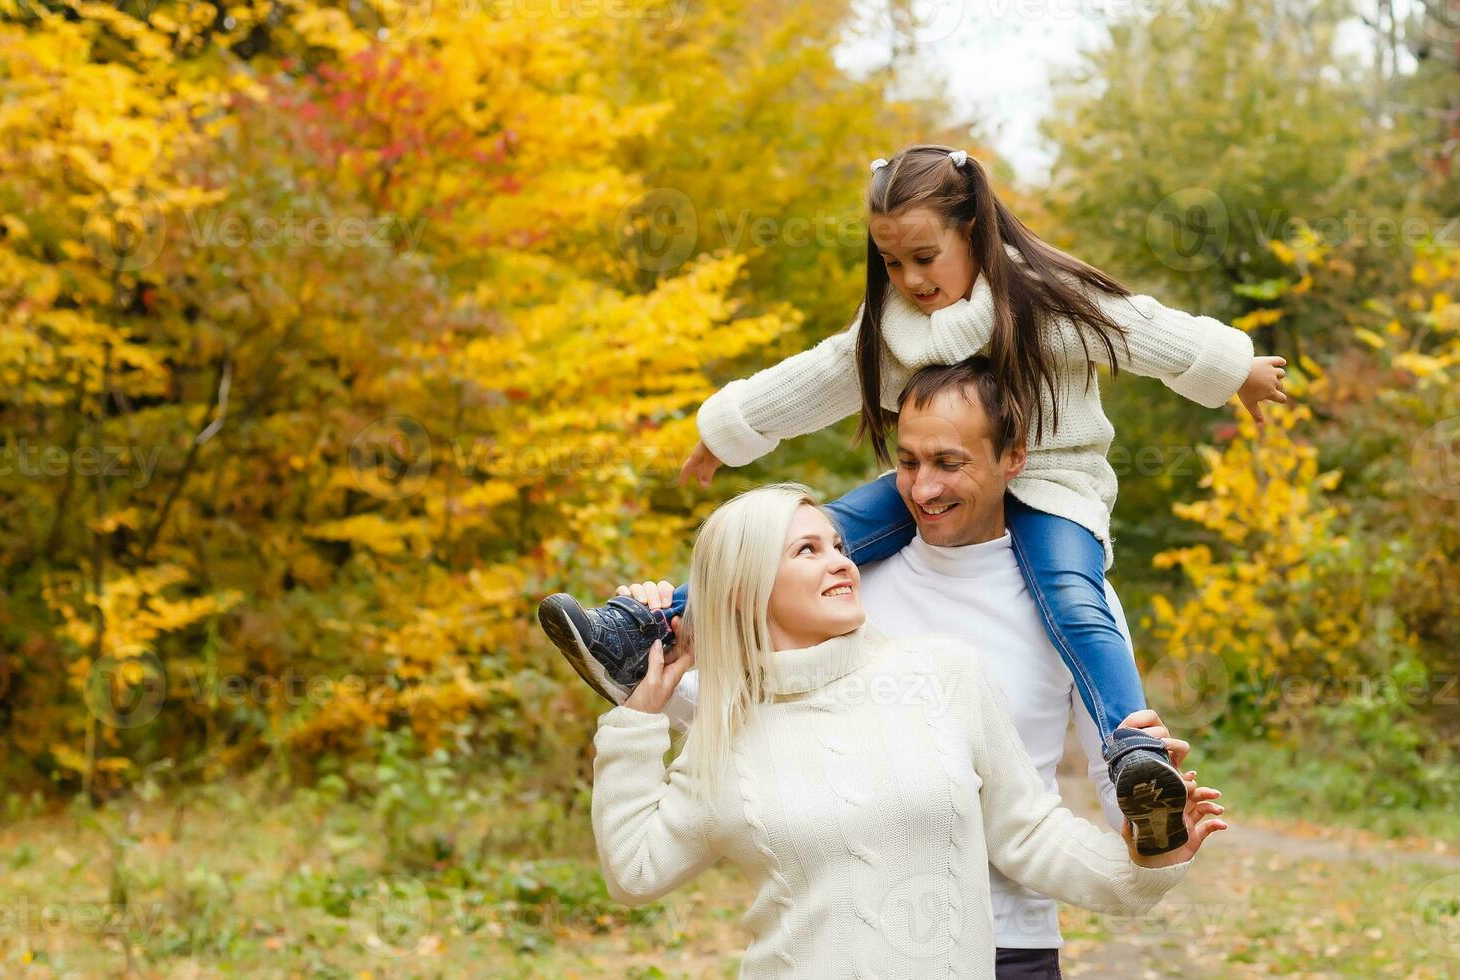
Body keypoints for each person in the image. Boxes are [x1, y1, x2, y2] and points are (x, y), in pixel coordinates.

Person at [542, 143, 1285, 850]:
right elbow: (819, 376)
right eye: (892, 262)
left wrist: (1237, 368)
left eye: (925, 257)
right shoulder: (895, 331)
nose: (912, 278)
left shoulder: (1043, 304)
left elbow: (1142, 328)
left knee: (1074, 600)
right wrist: (727, 430)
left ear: (974, 232)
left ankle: (1135, 757)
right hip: (935, 479)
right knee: (797, 541)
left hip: (1057, 481)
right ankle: (645, 634)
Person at [605, 357, 1199, 977]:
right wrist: (650, 658)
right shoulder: (848, 592)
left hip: (1004, 937)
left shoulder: (1061, 608)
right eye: (908, 462)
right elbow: (739, 726)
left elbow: (1052, 819)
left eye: (949, 463)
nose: (922, 489)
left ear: (1013, 458)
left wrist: (1151, 845)